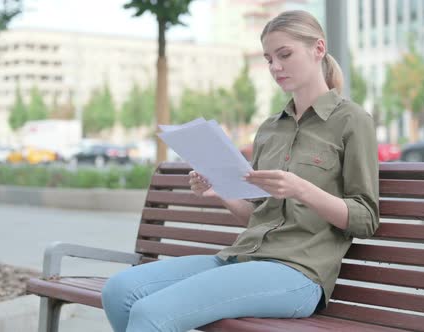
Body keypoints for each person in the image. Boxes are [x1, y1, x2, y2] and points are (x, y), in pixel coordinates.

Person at [101, 9, 379, 332]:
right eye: (268, 59)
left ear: (318, 49)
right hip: (243, 257)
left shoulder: (352, 121)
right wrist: (221, 190)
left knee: (151, 313)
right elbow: (257, 216)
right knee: (119, 291)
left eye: (284, 54)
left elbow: (366, 218)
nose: (275, 67)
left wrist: (301, 189)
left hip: (298, 273)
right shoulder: (270, 129)